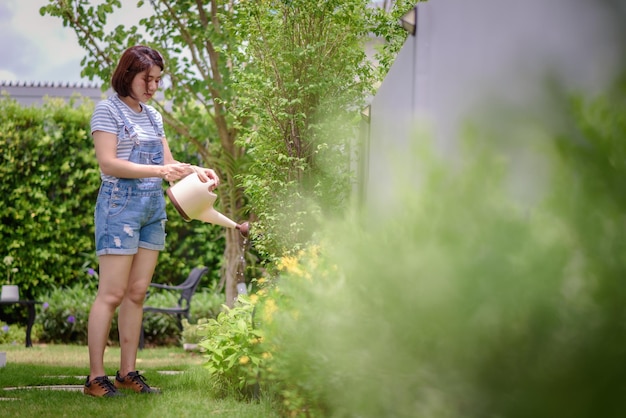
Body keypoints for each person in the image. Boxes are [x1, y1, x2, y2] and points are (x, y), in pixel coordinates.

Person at [84, 45, 219, 397]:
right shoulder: (107, 110)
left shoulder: (153, 116)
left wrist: (196, 171)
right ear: (128, 74)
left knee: (137, 292)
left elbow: (168, 163)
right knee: (111, 293)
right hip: (119, 206)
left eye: (158, 80)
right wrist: (161, 170)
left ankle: (127, 372)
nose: (153, 87)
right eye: (148, 79)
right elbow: (108, 164)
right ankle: (94, 378)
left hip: (150, 208)